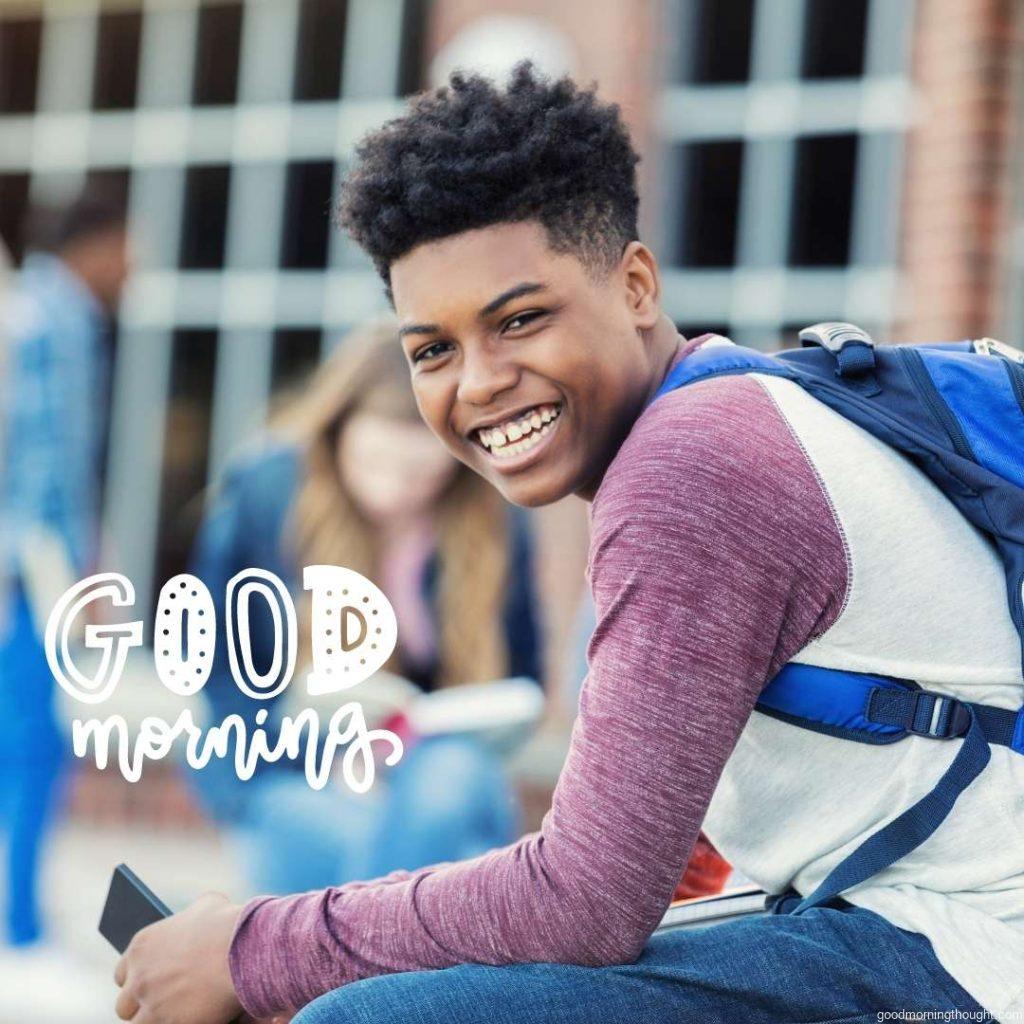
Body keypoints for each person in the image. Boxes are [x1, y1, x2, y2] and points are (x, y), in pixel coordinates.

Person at [112, 63, 1016, 1024]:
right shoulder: (730, 409)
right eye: (433, 350)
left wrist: (253, 950)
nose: (480, 382)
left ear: (634, 285)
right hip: (889, 925)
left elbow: (583, 902)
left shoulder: (696, 464)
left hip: (964, 951)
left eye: (521, 319)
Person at [188, 319, 542, 895]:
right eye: (377, 464)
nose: (398, 489)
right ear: (338, 433)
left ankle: (344, 964)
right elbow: (217, 663)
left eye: (420, 472)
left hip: (438, 764)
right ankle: (400, 957)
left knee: (445, 787)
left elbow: (520, 677)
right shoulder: (268, 496)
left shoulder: (493, 521)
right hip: (297, 764)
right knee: (434, 854)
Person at [0, 190, 129, 948]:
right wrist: (77, 574)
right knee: (32, 739)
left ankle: (20, 914)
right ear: (96, 243)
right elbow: (49, 465)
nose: (133, 266)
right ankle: (18, 918)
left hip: (24, 565)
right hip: (27, 572)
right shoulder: (60, 317)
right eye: (128, 246)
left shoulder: (29, 307)